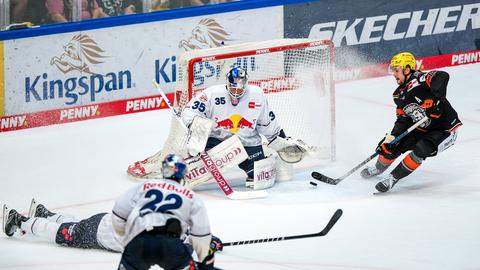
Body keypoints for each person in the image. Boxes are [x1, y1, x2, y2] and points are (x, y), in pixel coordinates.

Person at [360, 52, 462, 192]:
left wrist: (438, 97)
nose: (394, 74)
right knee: (391, 145)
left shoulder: (420, 79)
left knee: (421, 149)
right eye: (393, 70)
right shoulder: (398, 95)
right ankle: (377, 169)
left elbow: (442, 76)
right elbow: (403, 119)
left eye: (397, 70)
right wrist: (392, 138)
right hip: (420, 127)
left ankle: (393, 178)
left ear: (407, 69)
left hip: (445, 130)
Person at [114, 154, 221, 270]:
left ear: (163, 169)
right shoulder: (191, 197)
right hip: (171, 246)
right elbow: (201, 235)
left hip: (140, 242)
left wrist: (128, 239)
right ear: (184, 172)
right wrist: (206, 264)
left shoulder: (144, 185)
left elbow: (118, 213)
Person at [2, 199, 123, 252]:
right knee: (57, 231)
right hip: (99, 234)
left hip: (104, 220)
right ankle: (19, 220)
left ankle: (47, 215)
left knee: (77, 224)